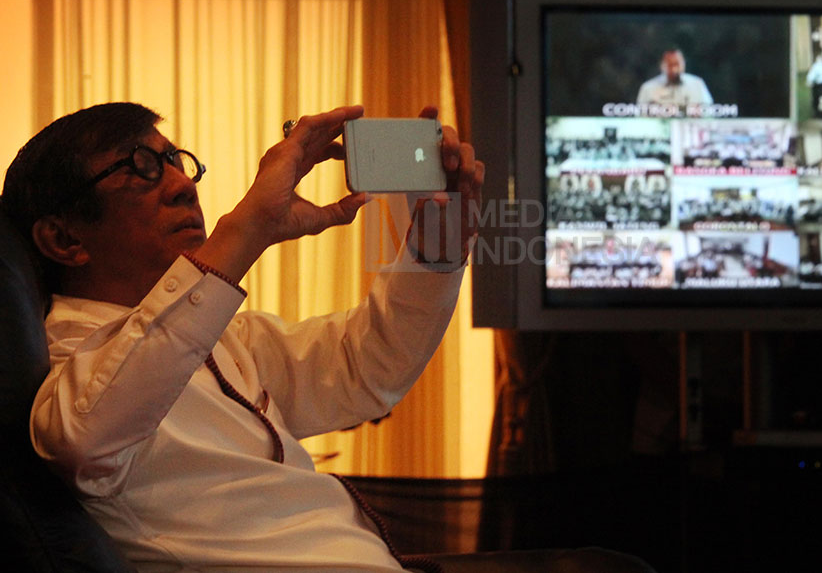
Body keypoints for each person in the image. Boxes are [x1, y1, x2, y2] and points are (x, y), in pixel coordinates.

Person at [0, 101, 484, 571]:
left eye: (175, 160)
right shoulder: (71, 359)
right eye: (141, 166)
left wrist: (436, 244)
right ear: (65, 240)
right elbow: (82, 443)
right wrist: (247, 229)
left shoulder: (225, 336)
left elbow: (363, 369)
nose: (182, 185)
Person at [636, 49, 713, 107]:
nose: (674, 69)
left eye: (677, 64)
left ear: (684, 64)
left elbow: (711, 113)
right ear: (662, 66)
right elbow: (639, 118)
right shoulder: (648, 88)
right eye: (670, 65)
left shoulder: (697, 84)